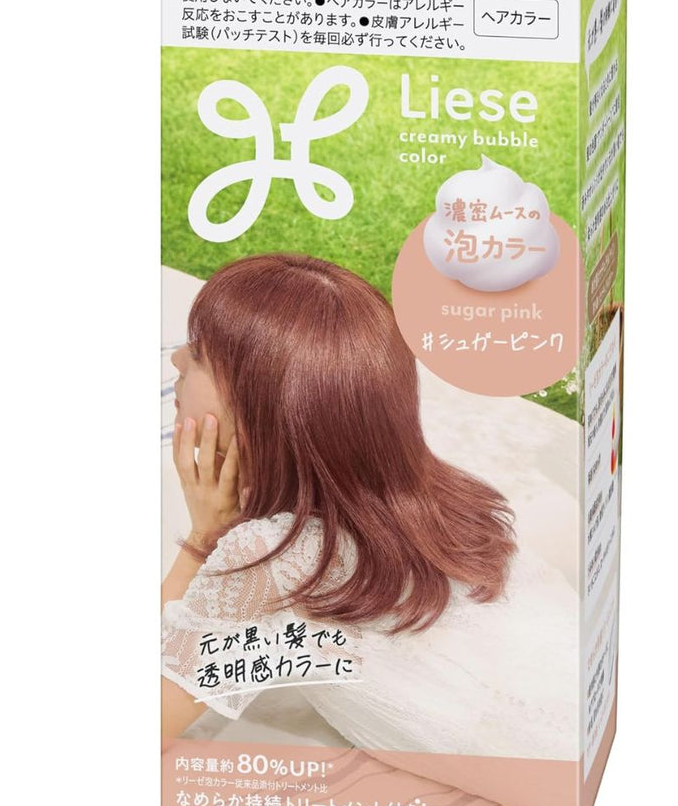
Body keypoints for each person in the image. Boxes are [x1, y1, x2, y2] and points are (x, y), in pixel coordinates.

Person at [161, 253, 578, 764]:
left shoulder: (270, 556)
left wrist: (205, 540)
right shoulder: (439, 493)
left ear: (258, 407)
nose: (176, 359)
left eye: (200, 354)